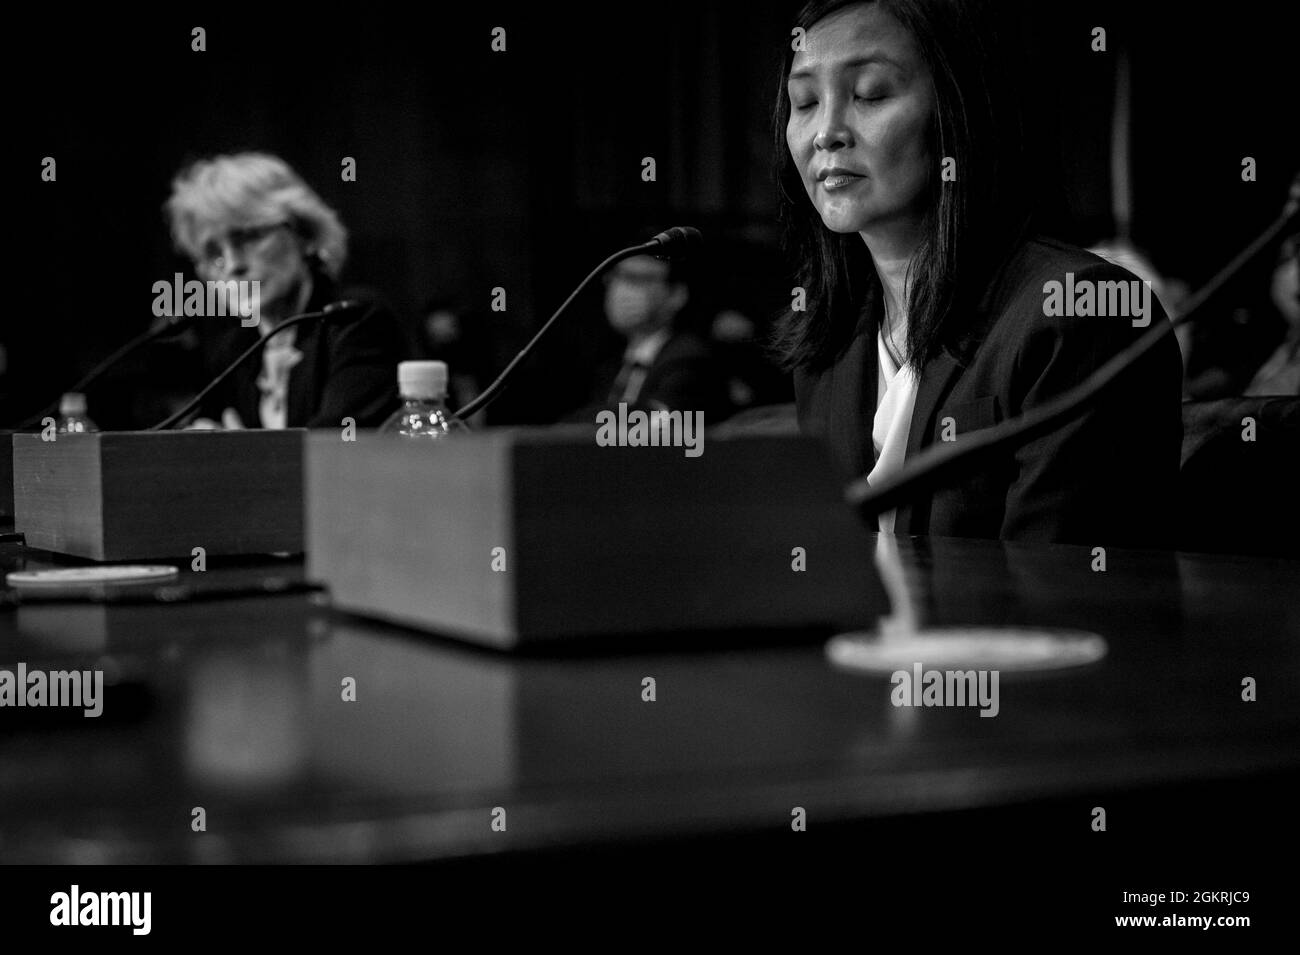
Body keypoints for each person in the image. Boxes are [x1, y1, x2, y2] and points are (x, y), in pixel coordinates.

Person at [774, 0, 1183, 547]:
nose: (826, 132)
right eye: (804, 102)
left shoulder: (1078, 310)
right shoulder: (828, 347)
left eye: (869, 93)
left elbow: (1060, 599)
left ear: (959, 109)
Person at [163, 152, 404, 429]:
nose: (232, 265)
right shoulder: (234, 353)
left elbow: (333, 448)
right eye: (213, 253)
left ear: (305, 235)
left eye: (248, 237)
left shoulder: (355, 321)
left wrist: (242, 456)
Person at [575, 252, 729, 422]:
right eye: (617, 277)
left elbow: (653, 426)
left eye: (640, 280)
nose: (623, 292)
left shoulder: (690, 360)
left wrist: (568, 427)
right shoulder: (609, 363)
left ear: (676, 295)